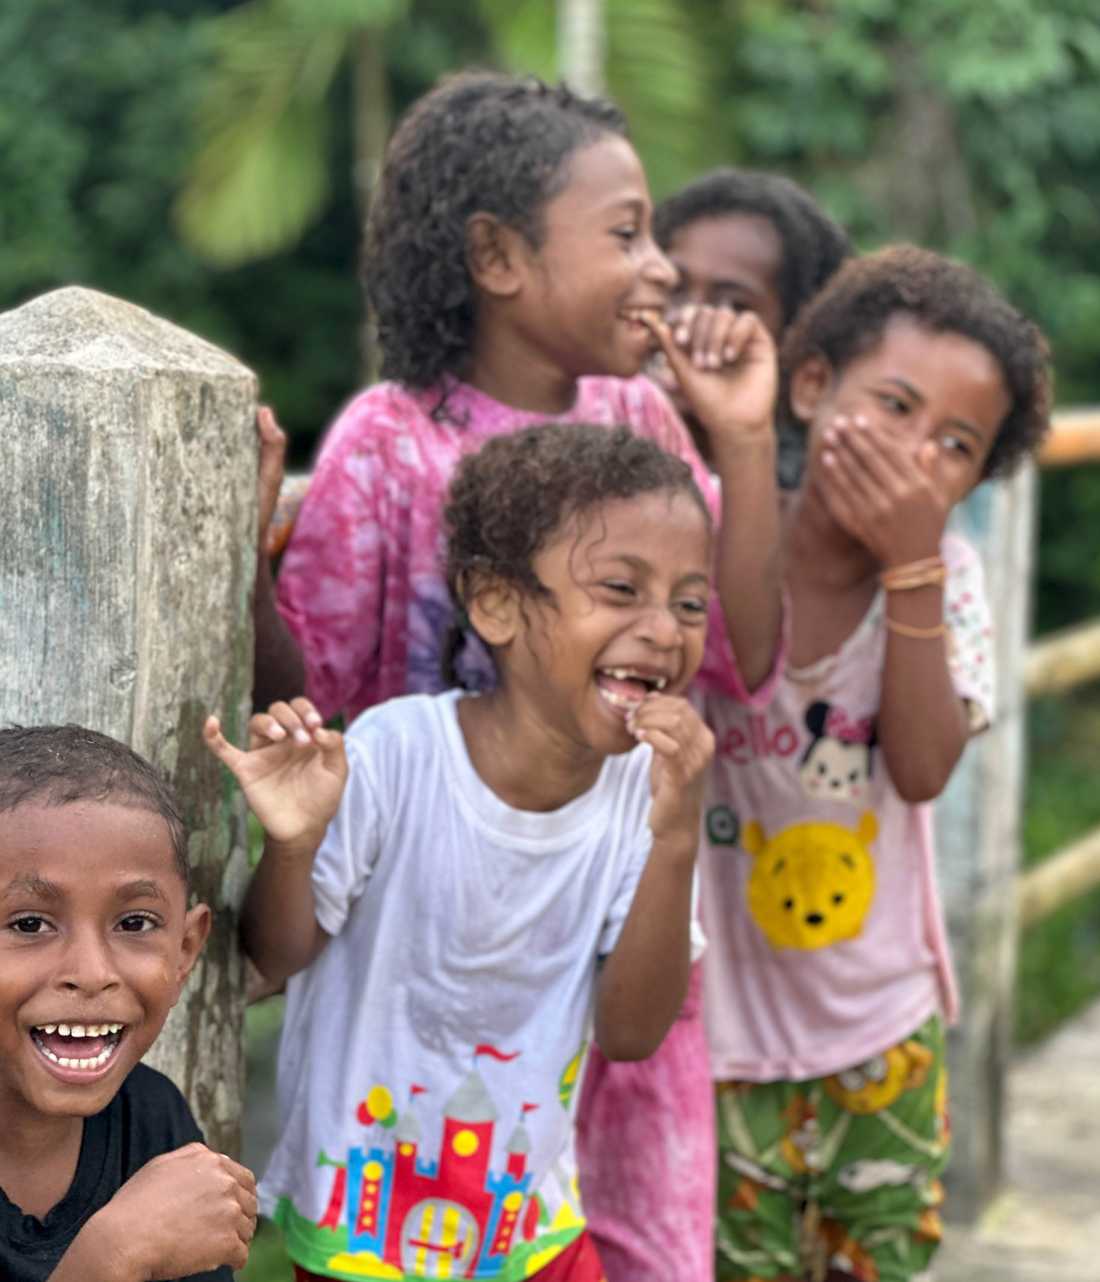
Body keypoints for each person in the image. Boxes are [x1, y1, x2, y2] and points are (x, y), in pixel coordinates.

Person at [205, 422, 731, 1282]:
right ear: (496, 604)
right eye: (621, 588)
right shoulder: (398, 754)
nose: (663, 630)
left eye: (688, 603)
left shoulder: (649, 795)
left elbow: (634, 1035)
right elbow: (276, 953)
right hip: (361, 1238)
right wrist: (294, 846)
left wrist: (675, 842)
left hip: (535, 1237)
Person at [693, 245, 1051, 1282]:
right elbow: (737, 644)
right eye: (892, 406)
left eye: (951, 444)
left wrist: (912, 567)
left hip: (880, 1034)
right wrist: (742, 444)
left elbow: (925, 765)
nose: (911, 454)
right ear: (810, 386)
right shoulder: (706, 531)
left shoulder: (949, 579)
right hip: (711, 1039)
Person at [251, 70, 773, 720]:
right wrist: (244, 571)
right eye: (626, 235)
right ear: (496, 256)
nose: (663, 269)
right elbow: (298, 697)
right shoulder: (385, 443)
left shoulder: (640, 416)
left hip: (616, 823)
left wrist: (747, 440)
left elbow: (741, 657)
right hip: (420, 822)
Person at [574, 166, 850, 1282]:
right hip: (609, 971)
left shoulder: (817, 516)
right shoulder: (580, 460)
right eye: (670, 278)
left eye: (729, 298)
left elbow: (743, 654)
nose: (687, 315)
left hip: (776, 994)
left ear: (795, 343)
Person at [0, 725, 258, 1282]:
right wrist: (112, 1258)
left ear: (185, 949)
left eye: (134, 923)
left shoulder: (153, 1121)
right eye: (28, 923)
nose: (92, 974)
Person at [650, 167, 851, 480]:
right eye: (674, 287)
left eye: (734, 305)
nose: (689, 319)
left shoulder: (803, 496)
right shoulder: (594, 415)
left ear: (795, 335)